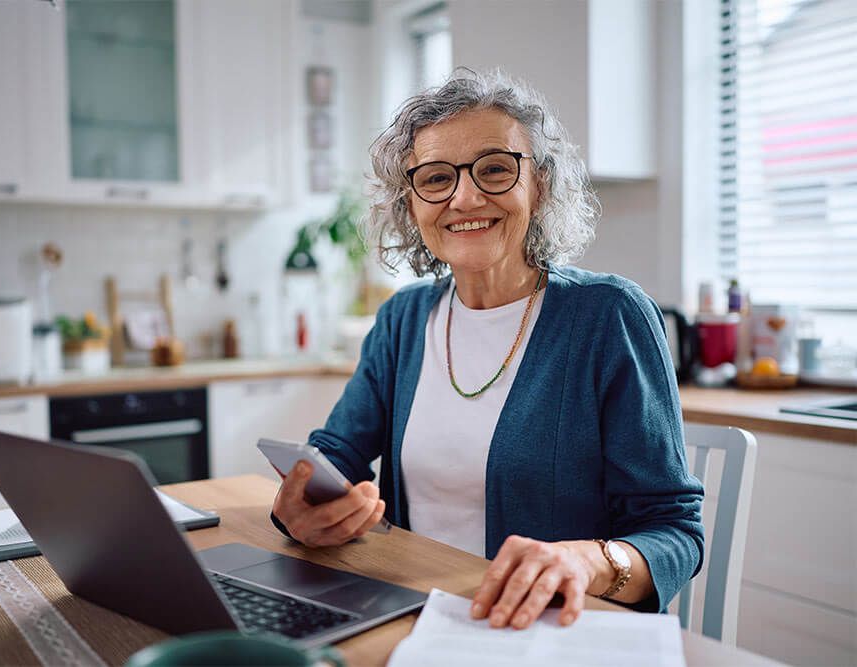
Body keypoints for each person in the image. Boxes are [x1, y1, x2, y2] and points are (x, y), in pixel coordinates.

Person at [271, 70, 704, 628]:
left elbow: (673, 529)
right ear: (411, 203)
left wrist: (585, 561)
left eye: (495, 169)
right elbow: (334, 455)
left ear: (539, 187)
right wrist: (299, 509)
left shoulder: (607, 316)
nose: (465, 196)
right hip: (412, 616)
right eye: (435, 178)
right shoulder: (403, 320)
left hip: (553, 632)